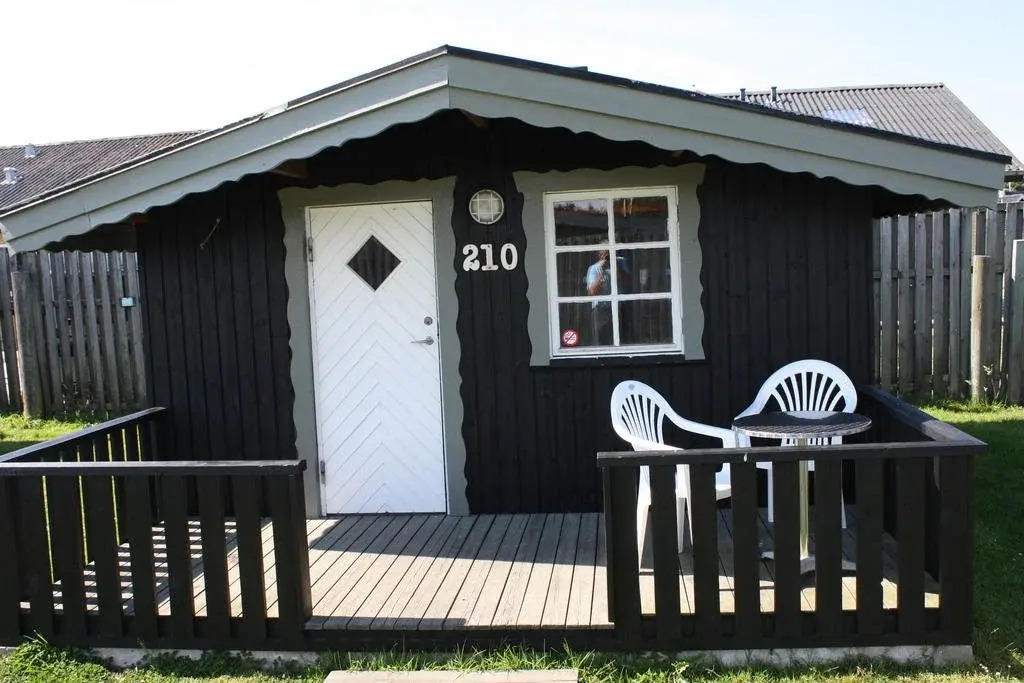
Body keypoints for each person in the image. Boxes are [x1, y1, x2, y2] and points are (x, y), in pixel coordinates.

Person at [584, 250, 628, 345]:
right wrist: (602, 272)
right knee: (601, 341)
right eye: (604, 253)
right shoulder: (594, 268)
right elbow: (592, 292)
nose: (608, 256)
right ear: (599, 255)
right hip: (600, 311)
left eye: (609, 252)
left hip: (618, 309)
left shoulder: (621, 262)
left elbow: (629, 283)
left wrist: (616, 266)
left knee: (619, 341)